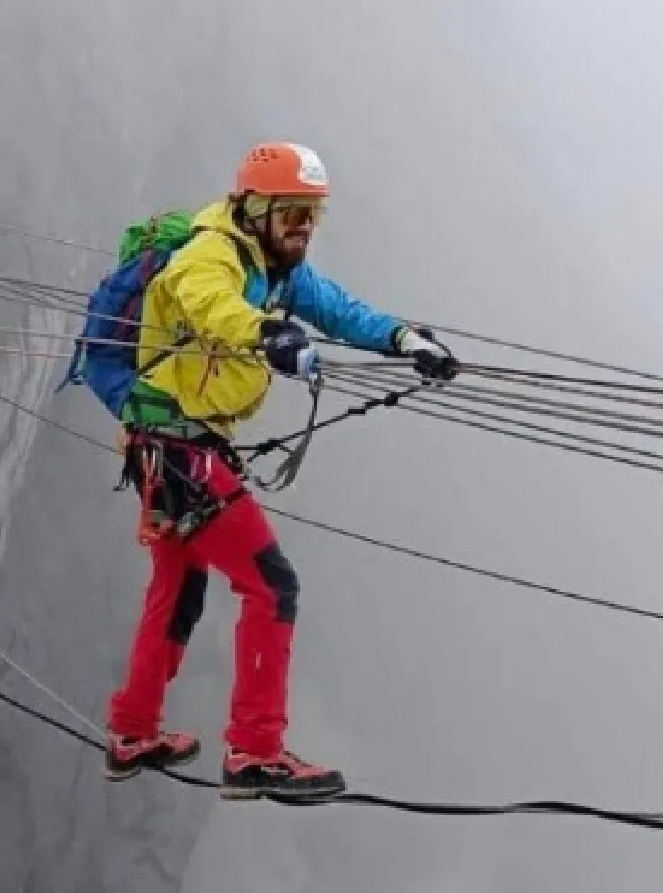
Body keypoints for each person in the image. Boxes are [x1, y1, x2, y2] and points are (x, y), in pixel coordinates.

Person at [100, 141, 459, 799]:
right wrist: (266, 334)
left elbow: (340, 310)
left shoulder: (277, 265)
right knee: (272, 586)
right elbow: (209, 302)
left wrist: (405, 340)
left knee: (179, 588)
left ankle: (132, 732)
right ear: (255, 207)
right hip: (178, 446)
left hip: (172, 445)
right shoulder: (211, 251)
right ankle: (255, 752)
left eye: (313, 215)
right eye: (293, 213)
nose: (304, 228)